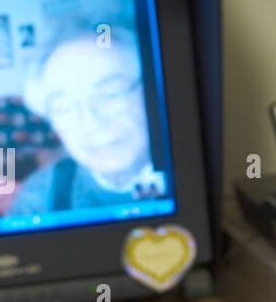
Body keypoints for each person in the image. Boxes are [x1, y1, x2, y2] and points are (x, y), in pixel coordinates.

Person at [10, 19, 164, 217]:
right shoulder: (39, 199)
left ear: (149, 91)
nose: (91, 123)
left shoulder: (201, 165)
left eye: (110, 94)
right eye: (64, 108)